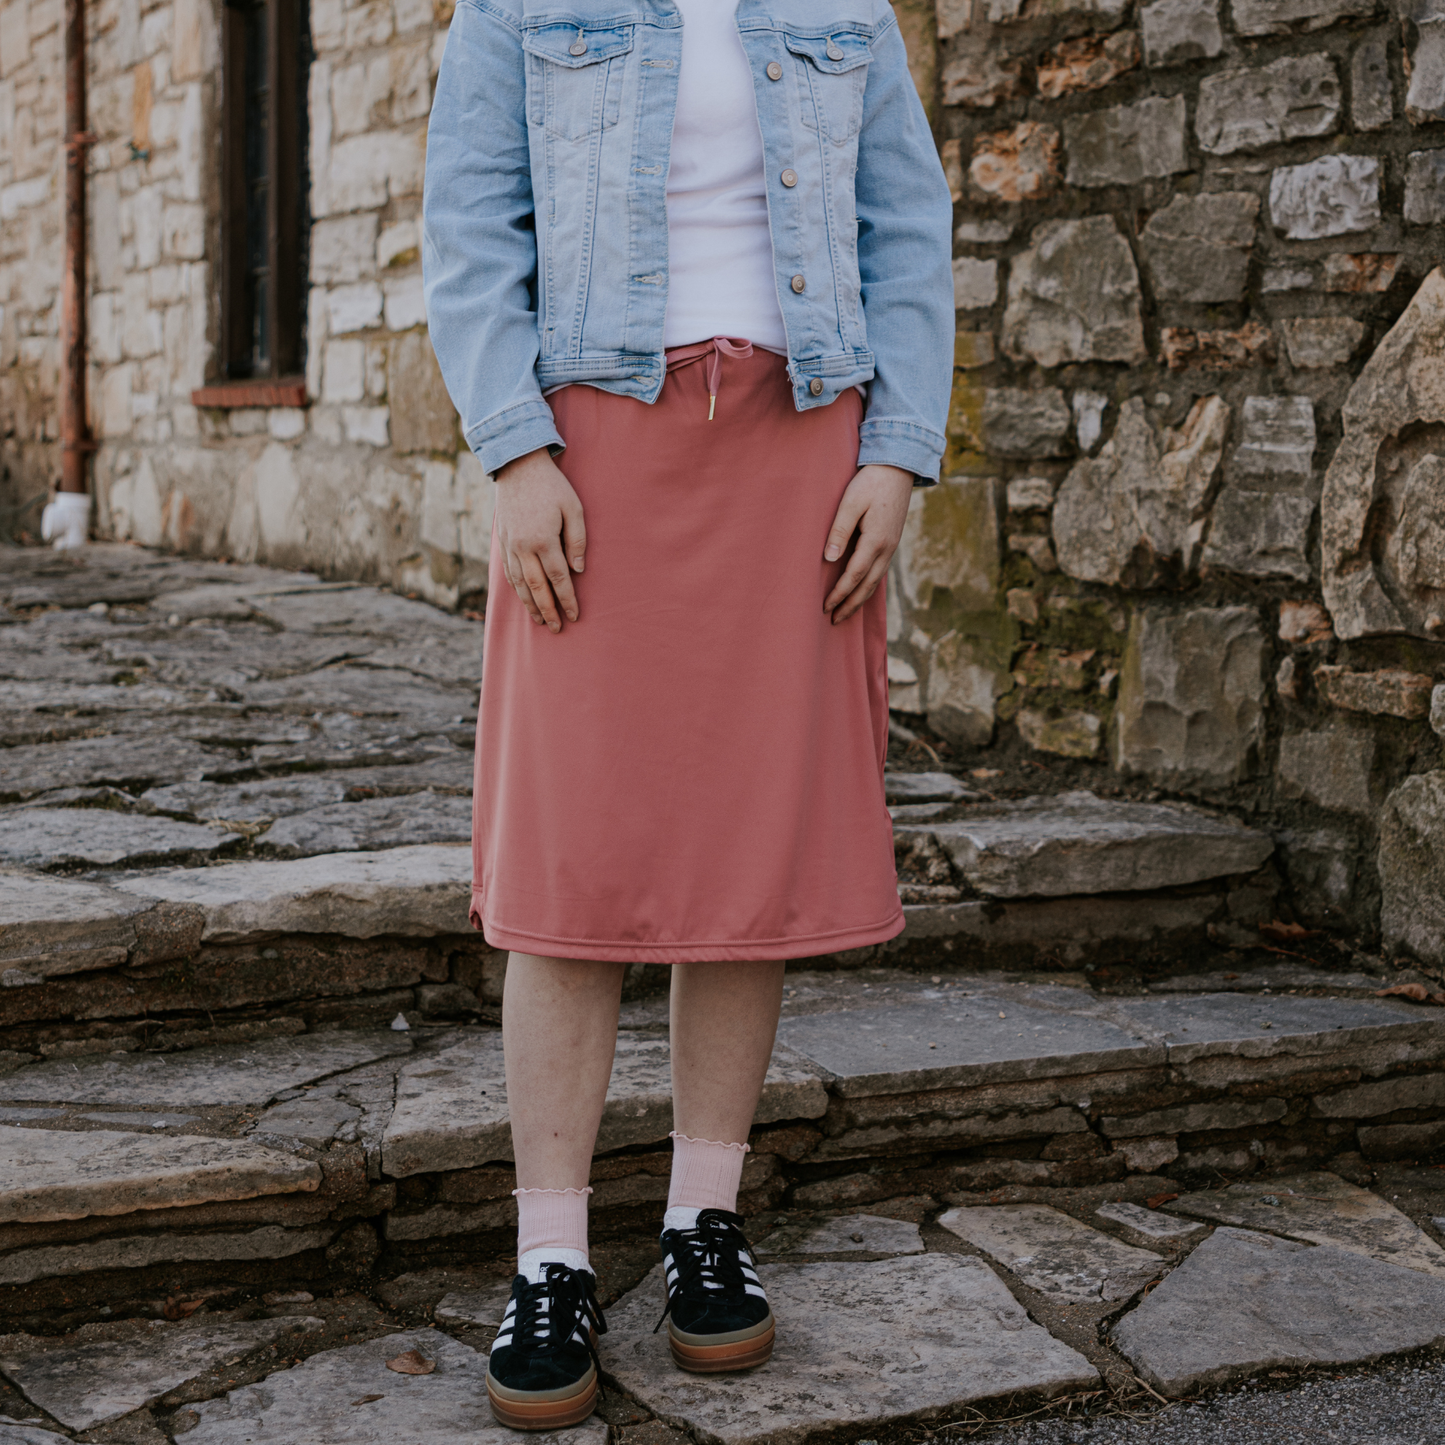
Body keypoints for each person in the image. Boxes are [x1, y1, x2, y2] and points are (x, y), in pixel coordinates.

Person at [423, 0, 952, 1427]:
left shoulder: (848, 10)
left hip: (799, 453)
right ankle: (550, 1259)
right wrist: (515, 452)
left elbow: (908, 230)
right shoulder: (514, 8)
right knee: (570, 859)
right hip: (592, 450)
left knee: (747, 855)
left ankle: (703, 1223)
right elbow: (470, 230)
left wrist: (897, 455)